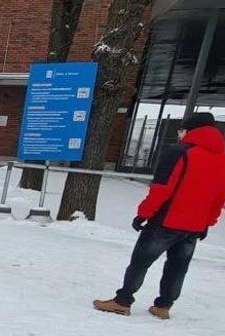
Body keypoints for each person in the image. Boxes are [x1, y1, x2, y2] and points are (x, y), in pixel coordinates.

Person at [94, 112, 225, 319]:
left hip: (167, 220)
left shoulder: (179, 152)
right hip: (195, 225)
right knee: (178, 267)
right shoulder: (221, 158)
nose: (180, 134)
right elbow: (219, 197)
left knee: (141, 261)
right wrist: (207, 222)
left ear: (190, 130)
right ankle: (163, 306)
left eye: (182, 130)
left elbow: (162, 188)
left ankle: (122, 301)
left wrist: (144, 213)